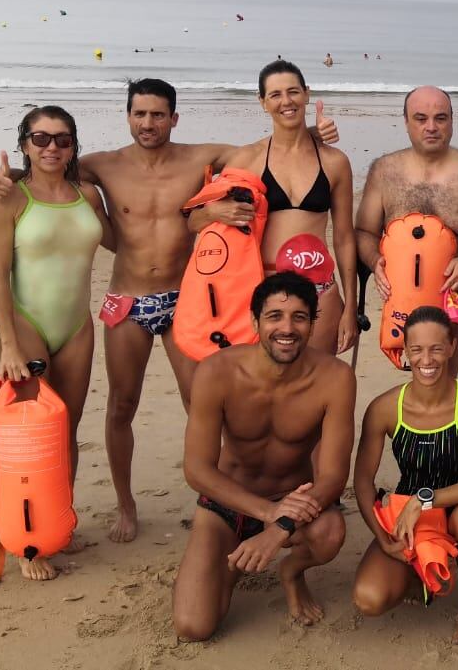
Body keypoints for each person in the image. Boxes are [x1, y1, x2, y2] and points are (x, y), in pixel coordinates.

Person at [0, 78, 340, 543]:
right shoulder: (101, 166)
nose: (148, 123)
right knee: (121, 405)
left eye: (158, 114)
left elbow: (264, 149)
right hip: (127, 299)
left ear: (174, 118)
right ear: (127, 117)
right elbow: (50, 169)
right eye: (140, 114)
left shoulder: (201, 158)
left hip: (185, 301)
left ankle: (222, 497)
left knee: (202, 403)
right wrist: (6, 178)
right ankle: (126, 505)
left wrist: (307, 137)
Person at [172, 272, 355, 640]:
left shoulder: (335, 378)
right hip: (227, 503)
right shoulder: (217, 372)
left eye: (299, 317)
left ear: (312, 323)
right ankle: (225, 557)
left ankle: (292, 573)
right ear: (255, 322)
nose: (286, 328)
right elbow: (197, 469)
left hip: (293, 502)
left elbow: (334, 477)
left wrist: (279, 528)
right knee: (194, 626)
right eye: (274, 316)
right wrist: (268, 515)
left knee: (331, 531)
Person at [0, 106, 112, 579]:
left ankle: (58, 521)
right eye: (40, 139)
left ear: (74, 146)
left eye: (62, 139)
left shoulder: (89, 195)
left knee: (66, 431)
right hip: (26, 322)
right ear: (23, 145)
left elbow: (126, 237)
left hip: (77, 323)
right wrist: (7, 343)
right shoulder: (8, 198)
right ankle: (26, 542)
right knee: (28, 436)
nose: (51, 147)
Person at [351, 306, 458, 645]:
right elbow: (361, 481)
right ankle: (418, 574)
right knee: (369, 598)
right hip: (407, 517)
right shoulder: (385, 407)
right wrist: (382, 535)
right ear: (405, 351)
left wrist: (424, 499)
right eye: (416, 349)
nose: (426, 359)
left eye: (436, 348)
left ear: (451, 347)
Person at [196, 60, 359, 356]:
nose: (286, 101)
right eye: (275, 94)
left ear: (307, 94)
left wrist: (350, 306)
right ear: (262, 102)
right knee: (262, 390)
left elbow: (345, 238)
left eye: (293, 91)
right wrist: (212, 213)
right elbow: (198, 221)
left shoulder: (335, 162)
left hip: (320, 289)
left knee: (314, 382)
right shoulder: (248, 160)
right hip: (263, 288)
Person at [355, 86, 458, 373]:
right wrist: (375, 262)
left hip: (456, 302)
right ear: (406, 122)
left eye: (441, 118)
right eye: (421, 118)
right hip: (399, 301)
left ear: (452, 121)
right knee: (413, 390)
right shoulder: (385, 171)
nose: (431, 127)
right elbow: (363, 232)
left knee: (442, 381)